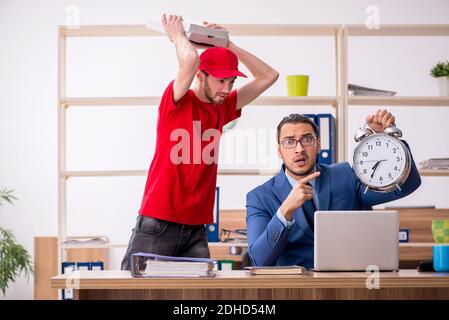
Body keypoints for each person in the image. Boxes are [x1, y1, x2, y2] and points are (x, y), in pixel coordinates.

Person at [121, 14, 279, 270]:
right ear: (201, 76)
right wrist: (178, 37)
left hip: (196, 227)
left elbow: (269, 76)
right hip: (159, 222)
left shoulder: (223, 107)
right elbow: (190, 59)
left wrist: (230, 46)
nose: (227, 89)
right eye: (220, 80)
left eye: (231, 81)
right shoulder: (176, 101)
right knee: (135, 293)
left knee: (199, 296)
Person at [246, 110, 421, 268]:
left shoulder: (345, 175)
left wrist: (387, 139)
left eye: (307, 139)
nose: (299, 149)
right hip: (295, 290)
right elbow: (260, 260)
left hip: (347, 283)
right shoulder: (260, 197)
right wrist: (285, 211)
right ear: (279, 151)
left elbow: (407, 185)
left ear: (318, 144)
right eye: (289, 142)